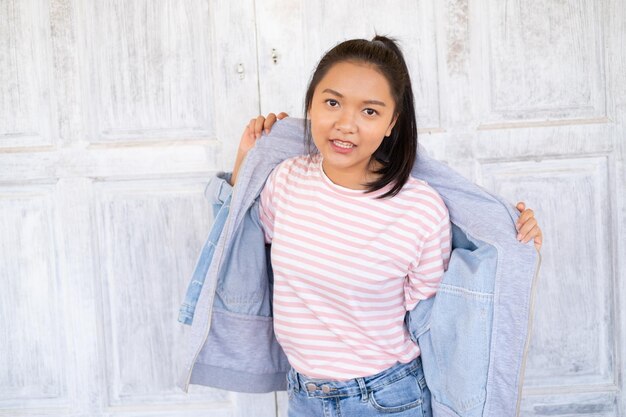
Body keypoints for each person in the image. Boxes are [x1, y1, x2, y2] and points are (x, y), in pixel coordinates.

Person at [227, 36, 543, 416]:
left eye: (370, 112)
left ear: (393, 122)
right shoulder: (285, 181)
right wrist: (247, 157)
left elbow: (438, 316)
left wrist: (510, 241)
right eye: (332, 103)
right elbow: (236, 247)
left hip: (387, 399)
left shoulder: (419, 208)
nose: (346, 125)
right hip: (303, 397)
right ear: (311, 103)